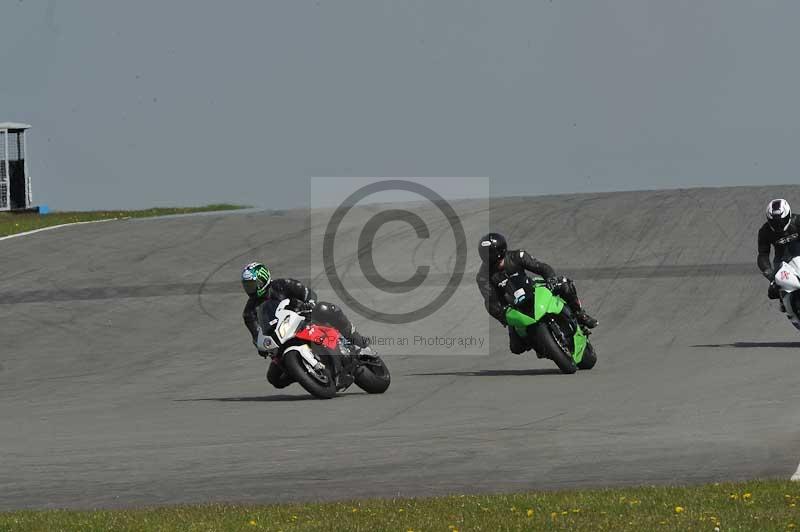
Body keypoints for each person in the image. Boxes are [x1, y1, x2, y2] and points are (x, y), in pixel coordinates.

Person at [240, 262, 369, 388]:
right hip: (280, 338)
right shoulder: (249, 312)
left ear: (263, 280)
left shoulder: (281, 285)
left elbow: (306, 292)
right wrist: (261, 346)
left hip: (302, 318)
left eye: (252, 284)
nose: (249, 289)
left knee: (325, 308)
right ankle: (305, 372)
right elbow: (256, 333)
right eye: (247, 286)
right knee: (274, 378)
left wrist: (309, 303)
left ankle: (356, 340)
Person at [475, 233, 598, 355]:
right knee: (516, 348)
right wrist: (502, 315)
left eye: (493, 255)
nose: (494, 262)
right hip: (513, 306)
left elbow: (542, 267)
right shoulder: (482, 277)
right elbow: (490, 300)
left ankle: (580, 314)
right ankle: (543, 347)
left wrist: (550, 279)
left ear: (502, 250)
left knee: (564, 284)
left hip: (533, 289)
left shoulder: (517, 256)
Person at [757, 199, 800, 301]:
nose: (779, 225)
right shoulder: (765, 231)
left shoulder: (798, 221)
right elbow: (763, 254)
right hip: (781, 263)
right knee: (773, 292)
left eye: (781, 221)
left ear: (788, 215)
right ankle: (787, 306)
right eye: (775, 222)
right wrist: (769, 273)